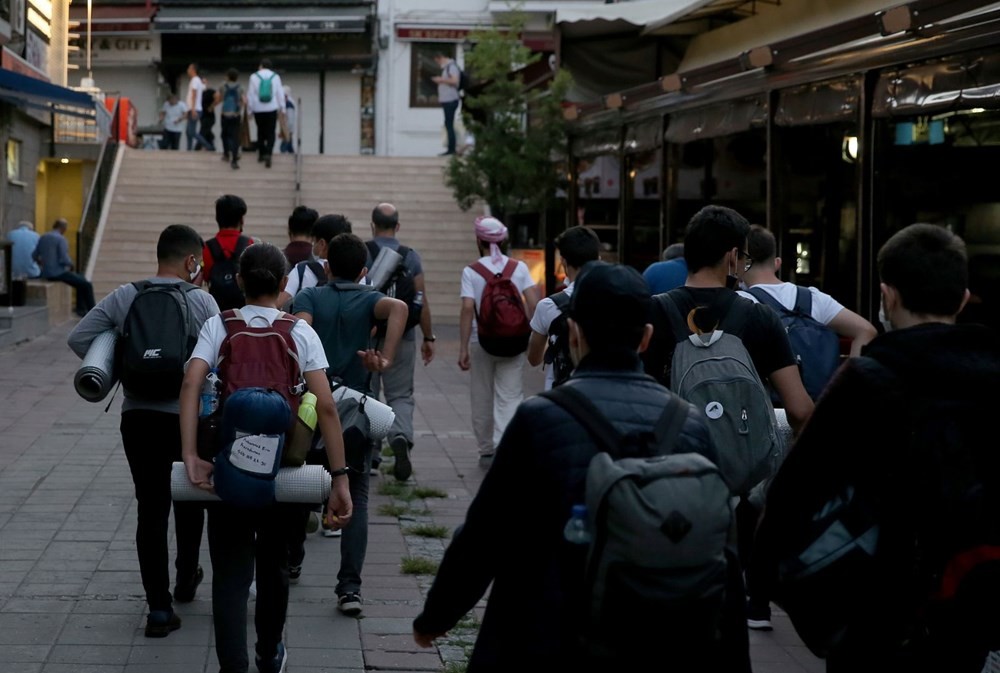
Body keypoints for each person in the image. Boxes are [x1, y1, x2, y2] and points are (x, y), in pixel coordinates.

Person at [413, 263, 718, 670]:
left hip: (546, 633)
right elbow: (720, 551)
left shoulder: (540, 419)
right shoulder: (691, 425)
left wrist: (437, 617)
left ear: (573, 334)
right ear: (645, 339)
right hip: (656, 638)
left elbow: (486, 533)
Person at [754, 223, 1000, 673]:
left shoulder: (866, 383)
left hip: (872, 614)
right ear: (963, 298)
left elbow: (791, 503)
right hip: (972, 611)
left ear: (887, 297)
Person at [180, 241, 353, 673]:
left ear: (238, 281)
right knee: (274, 565)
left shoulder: (219, 325)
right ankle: (268, 652)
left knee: (230, 571)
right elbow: (327, 406)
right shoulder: (299, 331)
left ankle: (232, 664)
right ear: (282, 285)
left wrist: (190, 455)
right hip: (283, 467)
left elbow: (191, 385)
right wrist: (340, 478)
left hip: (228, 465)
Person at [67, 224, 218, 637]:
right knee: (190, 500)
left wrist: (120, 354)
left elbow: (79, 338)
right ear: (191, 261)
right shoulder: (202, 301)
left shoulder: (125, 295)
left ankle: (158, 609)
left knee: (150, 508)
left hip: (137, 418)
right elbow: (221, 360)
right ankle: (186, 577)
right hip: (187, 418)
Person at [292, 232, 407, 617]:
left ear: (325, 267)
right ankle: (349, 589)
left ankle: (292, 560)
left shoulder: (310, 296)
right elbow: (401, 309)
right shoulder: (371, 298)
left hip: (312, 404)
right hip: (356, 410)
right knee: (355, 495)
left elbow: (300, 329)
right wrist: (385, 359)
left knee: (300, 488)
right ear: (362, 271)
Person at [458, 216, 539, 463]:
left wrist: (463, 348)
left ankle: (485, 449)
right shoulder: (520, 268)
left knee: (482, 394)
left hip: (480, 340)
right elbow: (534, 303)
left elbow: (467, 308)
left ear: (478, 239)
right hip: (515, 340)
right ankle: (504, 446)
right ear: (503, 240)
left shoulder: (471, 271)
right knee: (510, 394)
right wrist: (530, 335)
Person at [365, 203, 436, 481]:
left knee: (368, 394)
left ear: (372, 225)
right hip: (403, 334)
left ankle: (370, 454)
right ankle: (401, 438)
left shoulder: (364, 252)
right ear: (398, 226)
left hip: (368, 334)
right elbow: (421, 299)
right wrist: (428, 337)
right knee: (400, 395)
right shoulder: (411, 256)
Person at [741, 225, 877, 358]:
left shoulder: (738, 303)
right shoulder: (812, 297)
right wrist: (848, 377)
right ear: (777, 263)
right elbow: (866, 331)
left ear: (739, 263)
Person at [526, 225, 600, 390]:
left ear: (563, 261)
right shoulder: (616, 300)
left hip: (561, 396)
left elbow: (533, 358)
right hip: (604, 396)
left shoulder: (548, 306)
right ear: (599, 259)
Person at [276, 213, 352, 310]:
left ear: (322, 244)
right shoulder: (360, 274)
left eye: (314, 241)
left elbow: (278, 303)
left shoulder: (302, 270)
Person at [34, 218, 95, 317]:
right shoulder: (61, 239)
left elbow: (34, 255)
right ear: (63, 228)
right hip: (58, 273)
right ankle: (92, 310)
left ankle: (81, 309)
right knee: (86, 284)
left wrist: (43, 264)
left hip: (46, 272)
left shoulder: (43, 237)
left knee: (80, 281)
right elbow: (64, 258)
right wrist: (71, 265)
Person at [203, 194, 254, 310]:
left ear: (217, 218)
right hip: (244, 311)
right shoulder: (249, 245)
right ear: (241, 220)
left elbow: (205, 277)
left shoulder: (206, 248)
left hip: (216, 309)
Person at [247, 58, 285, 168]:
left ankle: (261, 154)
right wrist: (283, 109)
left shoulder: (254, 77)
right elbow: (279, 93)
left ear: (261, 66)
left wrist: (250, 110)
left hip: (258, 109)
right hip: (271, 108)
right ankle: (269, 153)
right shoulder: (275, 77)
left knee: (260, 131)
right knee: (271, 132)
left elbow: (251, 94)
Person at [431, 52, 461, 156]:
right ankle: (451, 148)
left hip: (450, 100)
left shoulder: (451, 67)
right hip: (446, 100)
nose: (438, 64)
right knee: (448, 123)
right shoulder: (447, 68)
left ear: (441, 58)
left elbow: (454, 80)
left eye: (438, 61)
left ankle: (451, 148)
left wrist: (441, 80)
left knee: (449, 124)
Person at [216, 68, 245, 169]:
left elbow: (218, 98)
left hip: (225, 114)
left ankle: (226, 154)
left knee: (224, 134)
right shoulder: (240, 87)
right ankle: (234, 160)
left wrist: (212, 106)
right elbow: (244, 101)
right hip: (236, 115)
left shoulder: (223, 86)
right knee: (235, 137)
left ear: (228, 76)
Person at [185, 63, 213, 151]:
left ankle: (208, 146)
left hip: (195, 109)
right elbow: (204, 88)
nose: (187, 70)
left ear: (193, 70)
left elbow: (194, 94)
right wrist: (205, 83)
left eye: (189, 68)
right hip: (193, 108)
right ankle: (189, 148)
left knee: (192, 132)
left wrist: (193, 109)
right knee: (188, 131)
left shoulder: (195, 80)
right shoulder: (197, 80)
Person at [199, 77, 217, 151]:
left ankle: (197, 147)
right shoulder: (199, 93)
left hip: (209, 116)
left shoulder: (210, 91)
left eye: (204, 83)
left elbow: (218, 97)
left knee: (203, 132)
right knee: (207, 131)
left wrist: (212, 106)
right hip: (202, 115)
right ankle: (211, 145)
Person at [280, 85, 296, 154]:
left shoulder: (289, 104)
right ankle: (292, 155)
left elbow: (290, 119)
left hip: (287, 129)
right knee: (289, 146)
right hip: (287, 129)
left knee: (283, 147)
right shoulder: (288, 103)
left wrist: (287, 130)